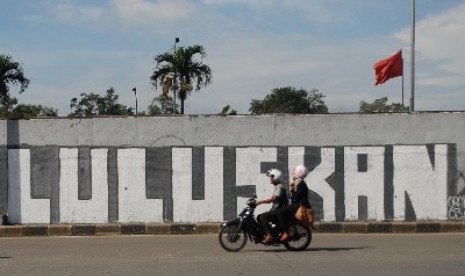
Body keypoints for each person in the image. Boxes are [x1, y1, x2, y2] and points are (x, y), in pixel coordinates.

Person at [276, 165, 311, 242]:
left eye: (296, 171)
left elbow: (296, 196)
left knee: (280, 211)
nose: (294, 173)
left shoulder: (300, 183)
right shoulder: (298, 183)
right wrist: (293, 187)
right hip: (296, 205)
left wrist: (293, 188)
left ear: (300, 173)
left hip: (299, 206)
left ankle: (286, 232)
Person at [256, 168, 288, 244]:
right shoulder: (277, 186)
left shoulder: (280, 187)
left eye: (271, 177)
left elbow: (273, 199)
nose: (270, 179)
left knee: (263, 217)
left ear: (275, 177)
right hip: (276, 210)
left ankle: (269, 235)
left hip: (279, 211)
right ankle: (269, 233)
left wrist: (260, 202)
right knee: (259, 216)